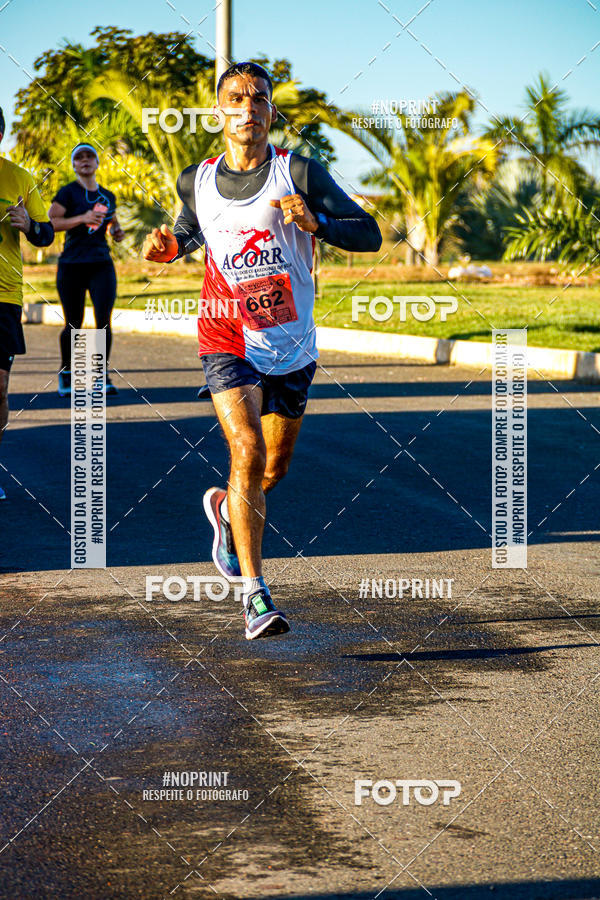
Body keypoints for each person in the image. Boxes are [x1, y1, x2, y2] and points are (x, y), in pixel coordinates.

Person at [143, 62, 382, 639]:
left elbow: (369, 232)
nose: (247, 108)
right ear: (219, 111)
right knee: (245, 448)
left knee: (270, 470)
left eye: (258, 98)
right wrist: (168, 247)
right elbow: (191, 232)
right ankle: (255, 595)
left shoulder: (297, 171)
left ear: (270, 111)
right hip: (227, 333)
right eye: (235, 98)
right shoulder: (194, 181)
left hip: (291, 342)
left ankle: (226, 510)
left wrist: (318, 221)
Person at [0, 106, 54, 500]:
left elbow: (46, 233)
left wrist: (30, 226)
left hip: (3, 295)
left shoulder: (18, 176)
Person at [48, 143, 125, 396]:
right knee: (74, 322)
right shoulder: (67, 193)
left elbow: (111, 219)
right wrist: (81, 218)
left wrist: (116, 231)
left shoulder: (108, 195)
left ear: (97, 162)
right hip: (71, 265)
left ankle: (102, 375)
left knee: (103, 321)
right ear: (73, 164)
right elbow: (51, 222)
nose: (84, 161)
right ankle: (66, 374)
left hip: (101, 263)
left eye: (89, 156)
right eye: (78, 157)